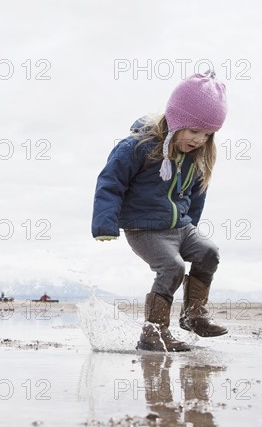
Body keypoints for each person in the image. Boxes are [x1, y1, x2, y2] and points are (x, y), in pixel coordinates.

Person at [91, 70, 228, 352]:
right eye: (194, 131)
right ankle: (152, 332)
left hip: (180, 228)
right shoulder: (138, 146)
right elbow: (110, 181)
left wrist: (193, 228)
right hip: (145, 228)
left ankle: (193, 316)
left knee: (208, 252)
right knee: (172, 267)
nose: (199, 140)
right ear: (176, 120)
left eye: (207, 134)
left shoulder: (193, 158)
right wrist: (105, 223)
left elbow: (196, 194)